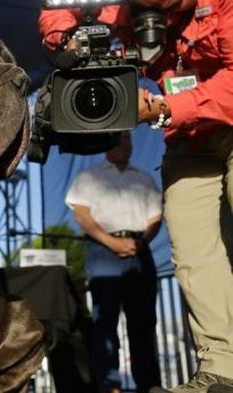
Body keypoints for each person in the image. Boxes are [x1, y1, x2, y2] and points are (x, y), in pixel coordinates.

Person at [40, 0, 233, 391]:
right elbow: (59, 8)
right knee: (193, 249)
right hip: (189, 141)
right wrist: (68, 40)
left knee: (143, 325)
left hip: (211, 120)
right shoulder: (126, 11)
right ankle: (222, 372)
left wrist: (166, 107)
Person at [65, 131, 162, 393]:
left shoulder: (143, 178)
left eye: (129, 138)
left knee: (144, 323)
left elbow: (156, 216)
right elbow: (82, 215)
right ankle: (108, 386)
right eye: (119, 138)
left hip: (139, 250)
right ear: (107, 143)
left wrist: (140, 242)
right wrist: (110, 241)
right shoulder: (90, 176)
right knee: (104, 322)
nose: (125, 143)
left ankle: (150, 384)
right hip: (103, 252)